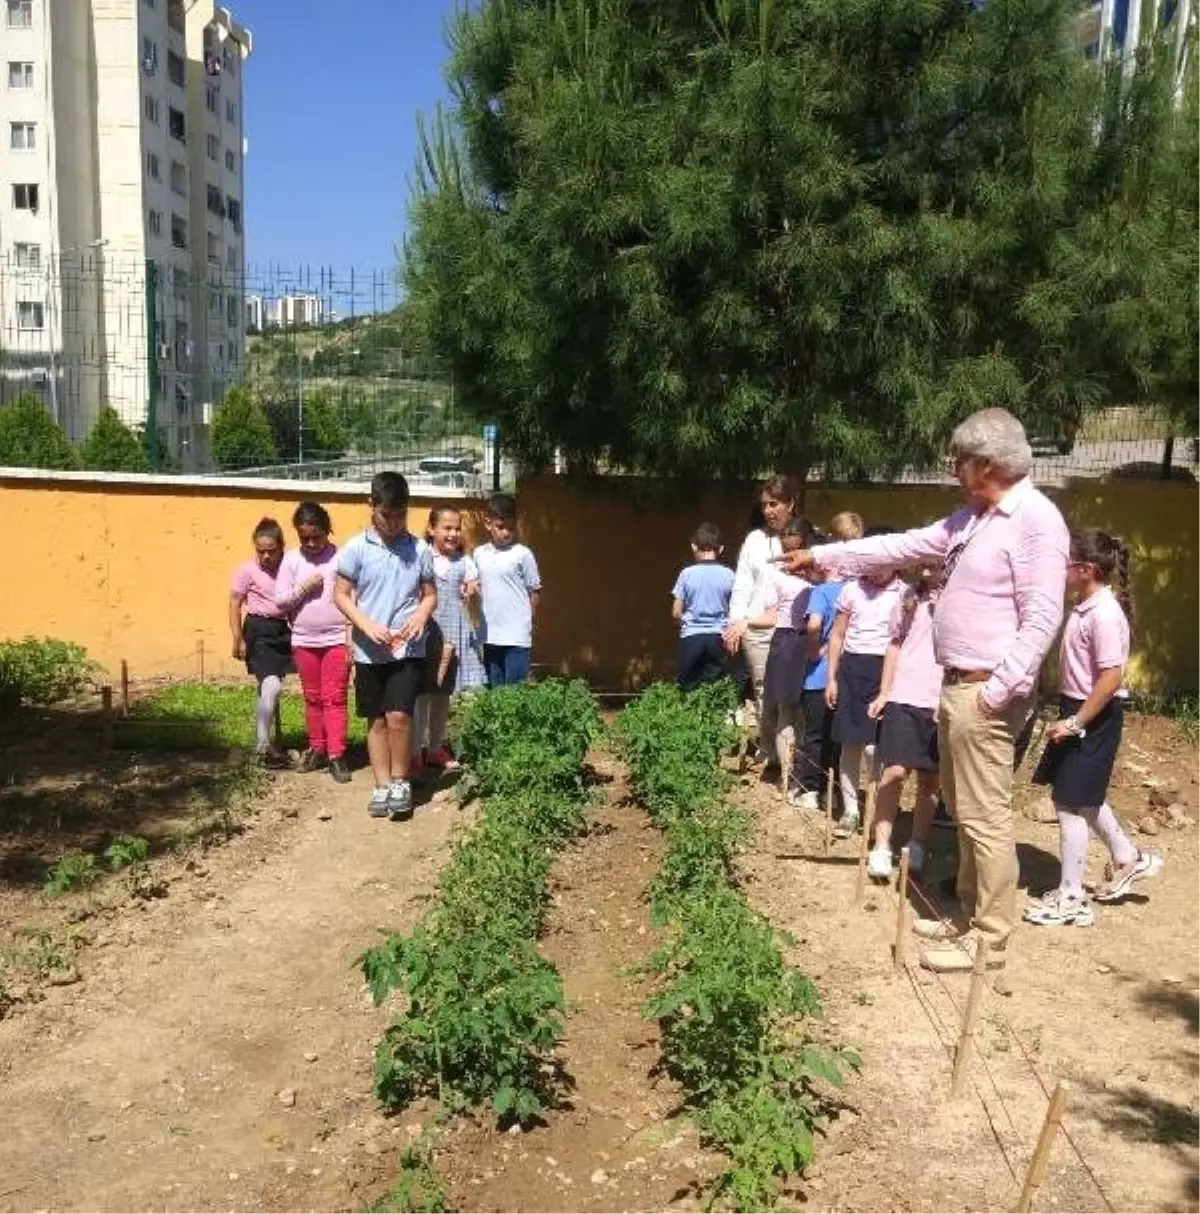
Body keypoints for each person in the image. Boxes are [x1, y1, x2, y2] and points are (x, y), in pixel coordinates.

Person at [782, 408, 1069, 974]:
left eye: (958, 460)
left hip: (986, 691)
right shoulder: (977, 518)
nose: (952, 469)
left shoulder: (1036, 520)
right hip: (958, 686)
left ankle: (989, 940)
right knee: (964, 810)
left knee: (984, 815)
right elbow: (903, 547)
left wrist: (998, 690)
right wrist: (823, 556)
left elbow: (1041, 618)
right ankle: (967, 912)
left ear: (984, 463)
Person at [1025, 530, 1163, 927]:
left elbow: (1111, 677)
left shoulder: (1103, 613)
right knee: (1082, 798)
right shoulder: (1086, 605)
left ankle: (1072, 897)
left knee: (1069, 805)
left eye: (1067, 563)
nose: (1062, 570)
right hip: (1080, 708)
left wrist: (1074, 722)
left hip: (1094, 715)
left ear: (1085, 570)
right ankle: (1127, 857)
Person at [334, 472, 437, 822]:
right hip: (369, 649)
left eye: (400, 515)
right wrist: (365, 625)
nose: (393, 523)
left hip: (407, 648)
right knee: (376, 719)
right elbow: (341, 595)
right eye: (386, 515)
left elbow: (429, 595)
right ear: (371, 507)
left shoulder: (419, 549)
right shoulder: (356, 548)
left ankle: (400, 781)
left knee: (399, 715)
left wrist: (423, 615)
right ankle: (380, 784)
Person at [865, 567, 943, 879]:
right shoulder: (909, 598)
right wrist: (885, 691)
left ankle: (917, 844)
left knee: (929, 780)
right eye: (922, 562)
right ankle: (882, 846)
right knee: (894, 772)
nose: (926, 569)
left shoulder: (962, 598)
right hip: (904, 695)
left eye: (933, 563)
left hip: (940, 699)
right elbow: (895, 644)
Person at [825, 544, 906, 837]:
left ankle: (875, 809)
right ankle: (850, 811)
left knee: (875, 749)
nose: (875, 570)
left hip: (885, 671)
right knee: (850, 744)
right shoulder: (851, 591)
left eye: (882, 564)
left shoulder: (904, 594)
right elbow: (837, 635)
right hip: (851, 670)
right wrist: (831, 678)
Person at [723, 474, 800, 771]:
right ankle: (770, 752)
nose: (769, 510)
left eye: (775, 503)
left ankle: (793, 753)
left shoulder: (804, 537)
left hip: (791, 629)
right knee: (764, 693)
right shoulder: (754, 540)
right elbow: (742, 584)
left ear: (790, 503)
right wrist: (736, 623)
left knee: (791, 696)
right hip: (756, 629)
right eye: (765, 505)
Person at [275, 502, 351, 784]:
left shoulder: (341, 558)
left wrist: (350, 634)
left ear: (326, 530)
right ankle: (317, 747)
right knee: (312, 696)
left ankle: (337, 754)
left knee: (335, 696)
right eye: (304, 537)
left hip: (336, 639)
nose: (310, 543)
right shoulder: (292, 560)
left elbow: (354, 596)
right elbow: (280, 600)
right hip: (304, 639)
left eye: (316, 536)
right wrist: (304, 588)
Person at [412, 505, 485, 779]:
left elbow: (472, 589)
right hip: (427, 632)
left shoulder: (464, 562)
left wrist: (472, 589)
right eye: (447, 528)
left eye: (457, 528)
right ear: (432, 529)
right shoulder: (420, 556)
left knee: (442, 695)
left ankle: (435, 747)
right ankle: (414, 750)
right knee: (420, 695)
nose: (453, 534)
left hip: (454, 633)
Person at [744, 518, 814, 794]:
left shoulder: (820, 568)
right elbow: (773, 613)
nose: (786, 540)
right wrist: (745, 622)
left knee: (808, 712)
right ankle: (787, 775)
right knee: (786, 708)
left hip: (815, 642)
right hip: (788, 642)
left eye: (792, 534)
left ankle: (806, 772)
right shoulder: (777, 574)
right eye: (784, 535)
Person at [228, 517, 292, 768]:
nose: (265, 557)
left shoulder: (289, 566)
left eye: (271, 551)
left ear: (281, 547)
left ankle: (266, 741)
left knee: (267, 687)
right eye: (260, 551)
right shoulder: (247, 571)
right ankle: (262, 745)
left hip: (285, 630)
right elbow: (234, 603)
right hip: (259, 629)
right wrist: (238, 638)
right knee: (272, 685)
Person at [789, 537, 842, 811]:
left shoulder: (820, 592)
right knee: (837, 738)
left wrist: (813, 651)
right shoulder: (853, 590)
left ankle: (810, 789)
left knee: (813, 735)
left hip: (818, 675)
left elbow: (813, 626)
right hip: (843, 677)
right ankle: (834, 791)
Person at [474, 492, 542, 687]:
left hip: (516, 635)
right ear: (488, 524)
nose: (505, 533)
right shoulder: (479, 554)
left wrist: (528, 620)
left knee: (514, 691)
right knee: (494, 690)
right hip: (490, 634)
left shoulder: (522, 554)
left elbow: (534, 590)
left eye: (510, 528)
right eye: (500, 527)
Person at [671, 522, 736, 693]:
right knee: (715, 690)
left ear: (693, 547)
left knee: (688, 689)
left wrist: (684, 624)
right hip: (718, 637)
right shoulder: (729, 575)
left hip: (691, 636)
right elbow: (736, 608)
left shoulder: (686, 574)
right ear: (720, 549)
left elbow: (676, 612)